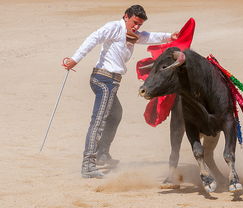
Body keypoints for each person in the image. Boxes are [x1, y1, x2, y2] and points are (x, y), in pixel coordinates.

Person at [63, 5, 179, 179]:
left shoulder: (132, 34)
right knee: (99, 120)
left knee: (115, 114)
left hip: (111, 82)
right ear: (126, 17)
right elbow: (93, 38)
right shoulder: (114, 27)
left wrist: (170, 36)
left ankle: (102, 154)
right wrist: (75, 59)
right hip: (104, 80)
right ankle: (88, 164)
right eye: (134, 22)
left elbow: (148, 37)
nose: (136, 27)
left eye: (139, 24)